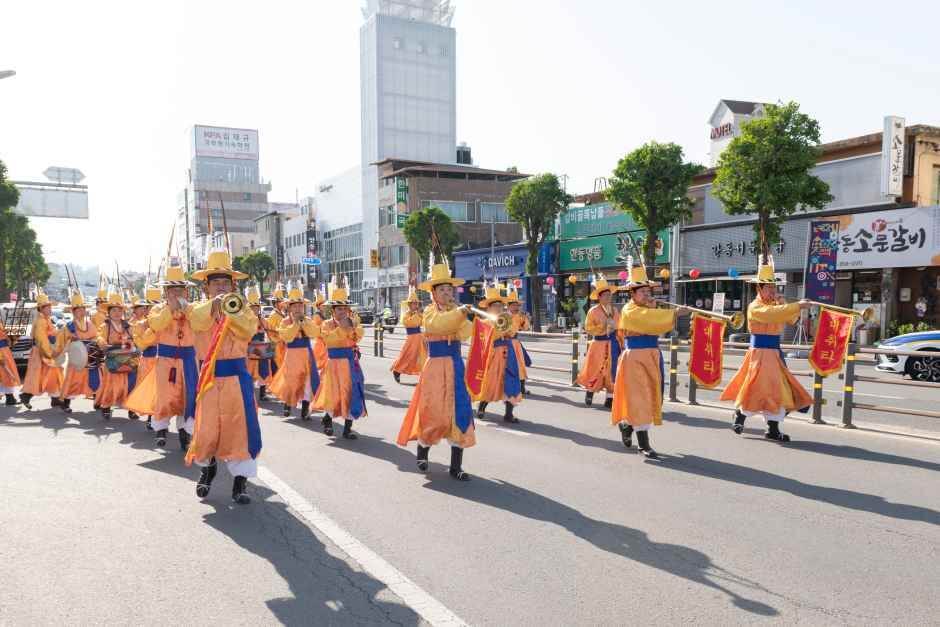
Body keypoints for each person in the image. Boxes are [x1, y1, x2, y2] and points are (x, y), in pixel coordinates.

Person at [185, 249, 260, 505]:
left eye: (225, 282)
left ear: (233, 286)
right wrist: (213, 306)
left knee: (240, 429)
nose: (220, 286)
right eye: (215, 282)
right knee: (207, 428)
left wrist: (231, 311)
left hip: (237, 378)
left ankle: (240, 482)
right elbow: (196, 322)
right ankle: (208, 469)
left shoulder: (244, 310)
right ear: (206, 287)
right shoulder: (196, 308)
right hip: (209, 378)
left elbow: (248, 330)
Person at [720, 255, 813, 442]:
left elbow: (791, 319)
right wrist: (796, 306)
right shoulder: (755, 306)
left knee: (779, 390)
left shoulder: (777, 305)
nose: (772, 291)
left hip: (775, 354)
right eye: (769, 287)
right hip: (760, 353)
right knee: (756, 386)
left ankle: (773, 429)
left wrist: (787, 305)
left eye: (774, 287)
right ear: (759, 289)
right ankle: (740, 416)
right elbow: (771, 315)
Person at [397, 261, 475, 481]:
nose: (447, 293)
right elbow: (438, 325)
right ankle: (423, 450)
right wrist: (459, 314)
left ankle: (456, 467)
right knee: (433, 411)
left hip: (455, 365)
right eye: (442, 290)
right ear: (433, 294)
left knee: (459, 412)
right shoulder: (430, 312)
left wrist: (466, 316)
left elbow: (465, 333)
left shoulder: (455, 312)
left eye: (450, 289)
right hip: (435, 367)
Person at [611, 261, 688, 459]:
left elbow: (656, 325)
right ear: (632, 294)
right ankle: (643, 444)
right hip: (635, 358)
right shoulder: (629, 310)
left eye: (648, 291)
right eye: (643, 292)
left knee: (652, 396)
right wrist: (674, 313)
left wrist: (664, 311)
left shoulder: (649, 308)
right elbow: (647, 320)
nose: (647, 295)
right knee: (640, 398)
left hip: (652, 355)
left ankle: (627, 425)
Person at [125, 262, 198, 449]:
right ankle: (161, 428)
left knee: (187, 395)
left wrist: (186, 309)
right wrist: (170, 309)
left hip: (188, 360)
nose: (177, 294)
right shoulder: (158, 309)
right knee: (164, 395)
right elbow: (156, 324)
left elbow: (201, 323)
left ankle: (185, 432)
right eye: (172, 290)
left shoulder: (192, 309)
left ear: (186, 292)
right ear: (166, 292)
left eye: (180, 290)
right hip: (165, 360)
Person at [312, 276, 366, 439]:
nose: (343, 312)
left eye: (344, 308)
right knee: (332, 394)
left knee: (351, 393)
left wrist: (353, 327)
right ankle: (327, 421)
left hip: (350, 364)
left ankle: (347, 429)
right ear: (333, 311)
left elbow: (358, 337)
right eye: (339, 309)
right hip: (334, 364)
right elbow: (328, 340)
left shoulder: (351, 322)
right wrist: (342, 328)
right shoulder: (327, 324)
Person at [268, 282, 321, 421]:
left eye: (300, 306)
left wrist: (304, 323)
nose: (298, 309)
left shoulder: (307, 320)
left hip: (306, 354)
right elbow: (286, 336)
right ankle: (288, 403)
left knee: (307, 382)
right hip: (292, 354)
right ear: (290, 308)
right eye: (295, 306)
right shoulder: (285, 321)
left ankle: (305, 408)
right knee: (291, 380)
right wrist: (296, 324)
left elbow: (314, 333)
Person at [473, 281, 523, 423]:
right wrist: (497, 328)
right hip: (493, 355)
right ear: (488, 308)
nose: (499, 307)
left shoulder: (507, 318)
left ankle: (509, 413)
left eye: (500, 305)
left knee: (511, 382)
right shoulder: (484, 322)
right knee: (491, 382)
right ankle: (482, 406)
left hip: (508, 353)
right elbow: (485, 339)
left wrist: (507, 327)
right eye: (495, 305)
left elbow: (512, 332)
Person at [575, 274, 622, 408]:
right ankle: (590, 391)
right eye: (605, 295)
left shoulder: (615, 310)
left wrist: (616, 329)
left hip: (613, 344)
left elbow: (620, 326)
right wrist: (603, 325)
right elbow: (589, 328)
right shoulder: (593, 311)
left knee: (612, 371)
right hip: (598, 345)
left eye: (609, 295)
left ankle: (610, 398)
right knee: (595, 369)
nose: (608, 297)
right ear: (599, 297)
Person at [95, 289, 136, 420]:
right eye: (114, 310)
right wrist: (103, 343)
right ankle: (106, 406)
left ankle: (131, 408)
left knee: (130, 384)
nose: (117, 313)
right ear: (109, 312)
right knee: (111, 385)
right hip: (112, 358)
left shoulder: (127, 325)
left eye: (119, 310)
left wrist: (132, 345)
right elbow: (99, 337)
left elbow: (134, 338)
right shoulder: (105, 326)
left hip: (127, 358)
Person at [19, 290, 64, 409]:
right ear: (41, 309)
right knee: (41, 376)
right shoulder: (41, 321)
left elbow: (52, 333)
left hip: (43, 351)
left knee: (48, 375)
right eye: (47, 307)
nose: (50, 309)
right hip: (42, 352)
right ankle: (27, 395)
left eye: (50, 307)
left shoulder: (46, 319)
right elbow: (42, 339)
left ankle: (54, 398)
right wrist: (49, 353)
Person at [56, 289, 98, 414]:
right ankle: (65, 402)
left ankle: (98, 402)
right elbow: (61, 342)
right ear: (73, 311)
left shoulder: (89, 324)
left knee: (94, 378)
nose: (81, 312)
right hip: (76, 358)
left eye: (83, 309)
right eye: (78, 310)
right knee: (72, 380)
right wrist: (70, 341)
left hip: (90, 355)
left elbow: (96, 336)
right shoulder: (69, 326)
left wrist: (98, 342)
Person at [129, 288, 159, 427]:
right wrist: (151, 329)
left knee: (160, 390)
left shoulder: (166, 322)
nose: (154, 310)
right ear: (146, 310)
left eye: (157, 307)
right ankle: (149, 416)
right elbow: (141, 345)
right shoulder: (139, 325)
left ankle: (155, 417)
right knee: (147, 389)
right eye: (150, 307)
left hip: (163, 360)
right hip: (148, 360)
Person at [390, 285, 426, 383]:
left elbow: (422, 322)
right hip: (411, 339)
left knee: (423, 357)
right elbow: (411, 323)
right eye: (414, 303)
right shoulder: (406, 314)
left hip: (419, 338)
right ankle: (397, 370)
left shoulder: (418, 313)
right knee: (407, 356)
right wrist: (417, 314)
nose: (416, 305)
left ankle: (425, 375)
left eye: (417, 303)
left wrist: (421, 314)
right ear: (409, 304)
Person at [245, 285, 275, 401]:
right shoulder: (245, 320)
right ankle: (249, 394)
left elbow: (271, 330)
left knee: (263, 370)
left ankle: (262, 393)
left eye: (256, 307)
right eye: (252, 308)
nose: (255, 310)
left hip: (261, 348)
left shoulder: (262, 319)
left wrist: (276, 337)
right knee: (249, 371)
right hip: (249, 349)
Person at [504, 284, 532, 396]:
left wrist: (525, 319)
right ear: (509, 306)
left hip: (515, 343)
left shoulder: (519, 316)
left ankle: (522, 387)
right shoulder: (503, 316)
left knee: (520, 365)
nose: (517, 307)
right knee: (505, 366)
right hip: (504, 343)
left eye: (518, 305)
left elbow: (525, 328)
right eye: (514, 305)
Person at [0, 317, 23, 406]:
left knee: (6, 375)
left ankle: (10, 398)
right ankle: (10, 398)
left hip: (4, 350)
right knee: (7, 375)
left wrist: (10, 334)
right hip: (2, 352)